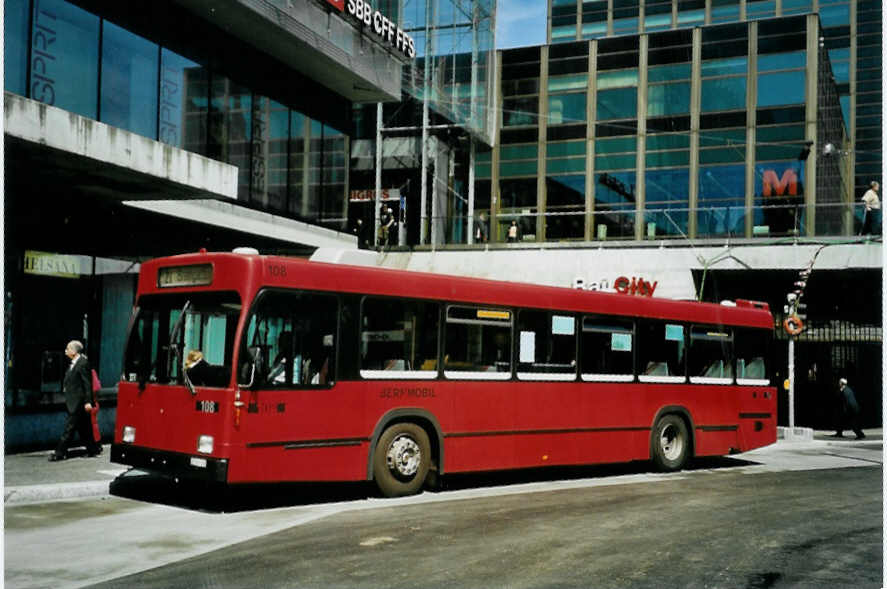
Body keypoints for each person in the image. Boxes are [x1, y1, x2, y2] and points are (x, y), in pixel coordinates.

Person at [50, 340, 102, 461]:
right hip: (74, 401)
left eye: (67, 349)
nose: (65, 351)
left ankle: (60, 452)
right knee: (84, 428)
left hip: (78, 402)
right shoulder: (73, 363)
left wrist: (88, 401)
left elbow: (87, 384)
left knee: (69, 428)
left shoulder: (83, 363)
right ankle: (93, 449)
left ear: (74, 351)